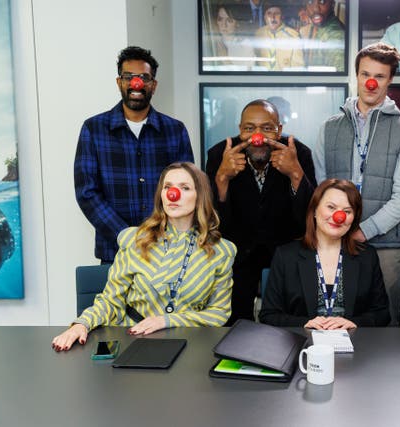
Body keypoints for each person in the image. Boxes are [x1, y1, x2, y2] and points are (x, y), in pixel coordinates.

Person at [52, 162, 236, 351]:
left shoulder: (221, 252)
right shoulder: (135, 240)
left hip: (190, 345)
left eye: (185, 188)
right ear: (161, 196)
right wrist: (82, 323)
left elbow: (218, 314)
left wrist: (167, 320)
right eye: (168, 187)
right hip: (133, 340)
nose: (174, 194)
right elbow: (110, 301)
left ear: (199, 197)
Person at [314, 42, 400, 327]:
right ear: (357, 75)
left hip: (385, 245)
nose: (371, 82)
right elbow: (321, 189)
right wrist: (338, 231)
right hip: (335, 240)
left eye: (380, 76)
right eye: (365, 74)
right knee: (337, 318)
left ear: (390, 80)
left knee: (384, 323)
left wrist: (363, 231)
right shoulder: (329, 127)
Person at [74, 46, 194, 263]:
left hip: (167, 249)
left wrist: (159, 233)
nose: (136, 83)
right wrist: (125, 235)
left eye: (144, 77)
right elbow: (86, 192)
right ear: (119, 82)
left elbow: (187, 189)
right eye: (128, 77)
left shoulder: (175, 131)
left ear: (153, 85)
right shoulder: (93, 129)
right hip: (115, 251)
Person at [205, 99, 316, 324]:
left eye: (267, 128)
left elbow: (310, 219)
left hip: (285, 251)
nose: (258, 136)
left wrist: (295, 174)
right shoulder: (219, 154)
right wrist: (222, 178)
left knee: (284, 322)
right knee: (235, 323)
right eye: (249, 128)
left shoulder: (298, 153)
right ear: (240, 130)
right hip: (238, 253)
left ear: (279, 130)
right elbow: (212, 223)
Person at [259, 179, 390, 328]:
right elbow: (268, 315)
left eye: (347, 211)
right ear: (314, 210)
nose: (338, 216)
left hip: (354, 345)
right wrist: (304, 324)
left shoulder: (367, 256)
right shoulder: (285, 256)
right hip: (303, 345)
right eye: (331, 207)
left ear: (354, 218)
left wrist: (354, 323)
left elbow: (382, 313)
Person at [204, 4, 256, 70]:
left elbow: (248, 76)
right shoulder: (210, 43)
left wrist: (226, 60)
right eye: (220, 19)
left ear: (237, 23)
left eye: (229, 20)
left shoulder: (245, 45)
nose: (224, 25)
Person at [255, 4, 304, 71]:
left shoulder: (293, 36)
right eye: (269, 13)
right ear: (265, 17)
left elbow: (298, 67)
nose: (273, 17)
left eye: (277, 13)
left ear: (282, 17)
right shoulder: (258, 34)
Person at [299, 0, 345, 71]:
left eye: (322, 2)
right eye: (310, 2)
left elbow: (340, 74)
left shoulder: (336, 34)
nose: (316, 9)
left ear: (332, 5)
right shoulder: (312, 28)